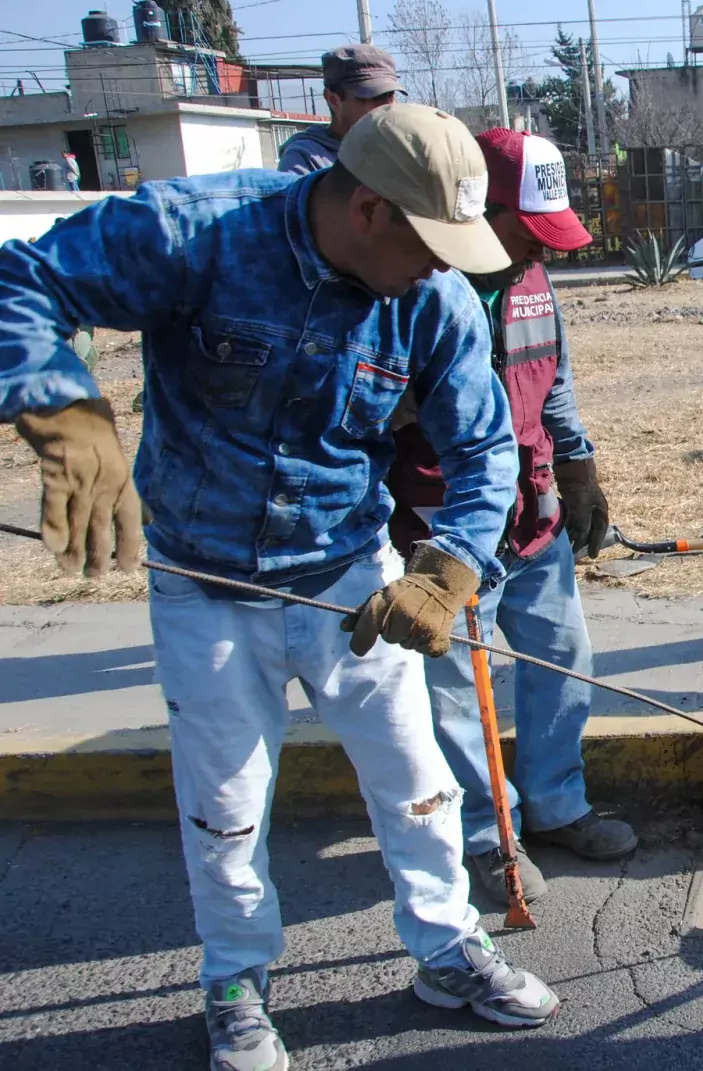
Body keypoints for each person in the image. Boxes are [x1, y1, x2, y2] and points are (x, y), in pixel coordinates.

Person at [0, 104, 563, 1071]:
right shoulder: (198, 232)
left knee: (418, 782)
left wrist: (451, 567)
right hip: (203, 583)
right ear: (370, 210)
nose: (443, 267)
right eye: (429, 244)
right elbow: (23, 279)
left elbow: (481, 449)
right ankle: (235, 981)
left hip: (349, 576)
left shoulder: (432, 298)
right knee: (226, 804)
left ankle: (445, 946)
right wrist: (61, 405)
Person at [387, 129, 635, 907]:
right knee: (459, 687)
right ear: (475, 207)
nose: (541, 249)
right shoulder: (409, 283)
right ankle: (490, 835)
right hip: (446, 521)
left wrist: (578, 463)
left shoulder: (532, 280)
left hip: (534, 514)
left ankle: (556, 802)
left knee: (563, 654)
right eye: (528, 229)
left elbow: (550, 378)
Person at [277, 44, 404, 175]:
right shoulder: (305, 158)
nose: (387, 105)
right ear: (333, 100)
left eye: (390, 95)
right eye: (373, 97)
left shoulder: (400, 149)